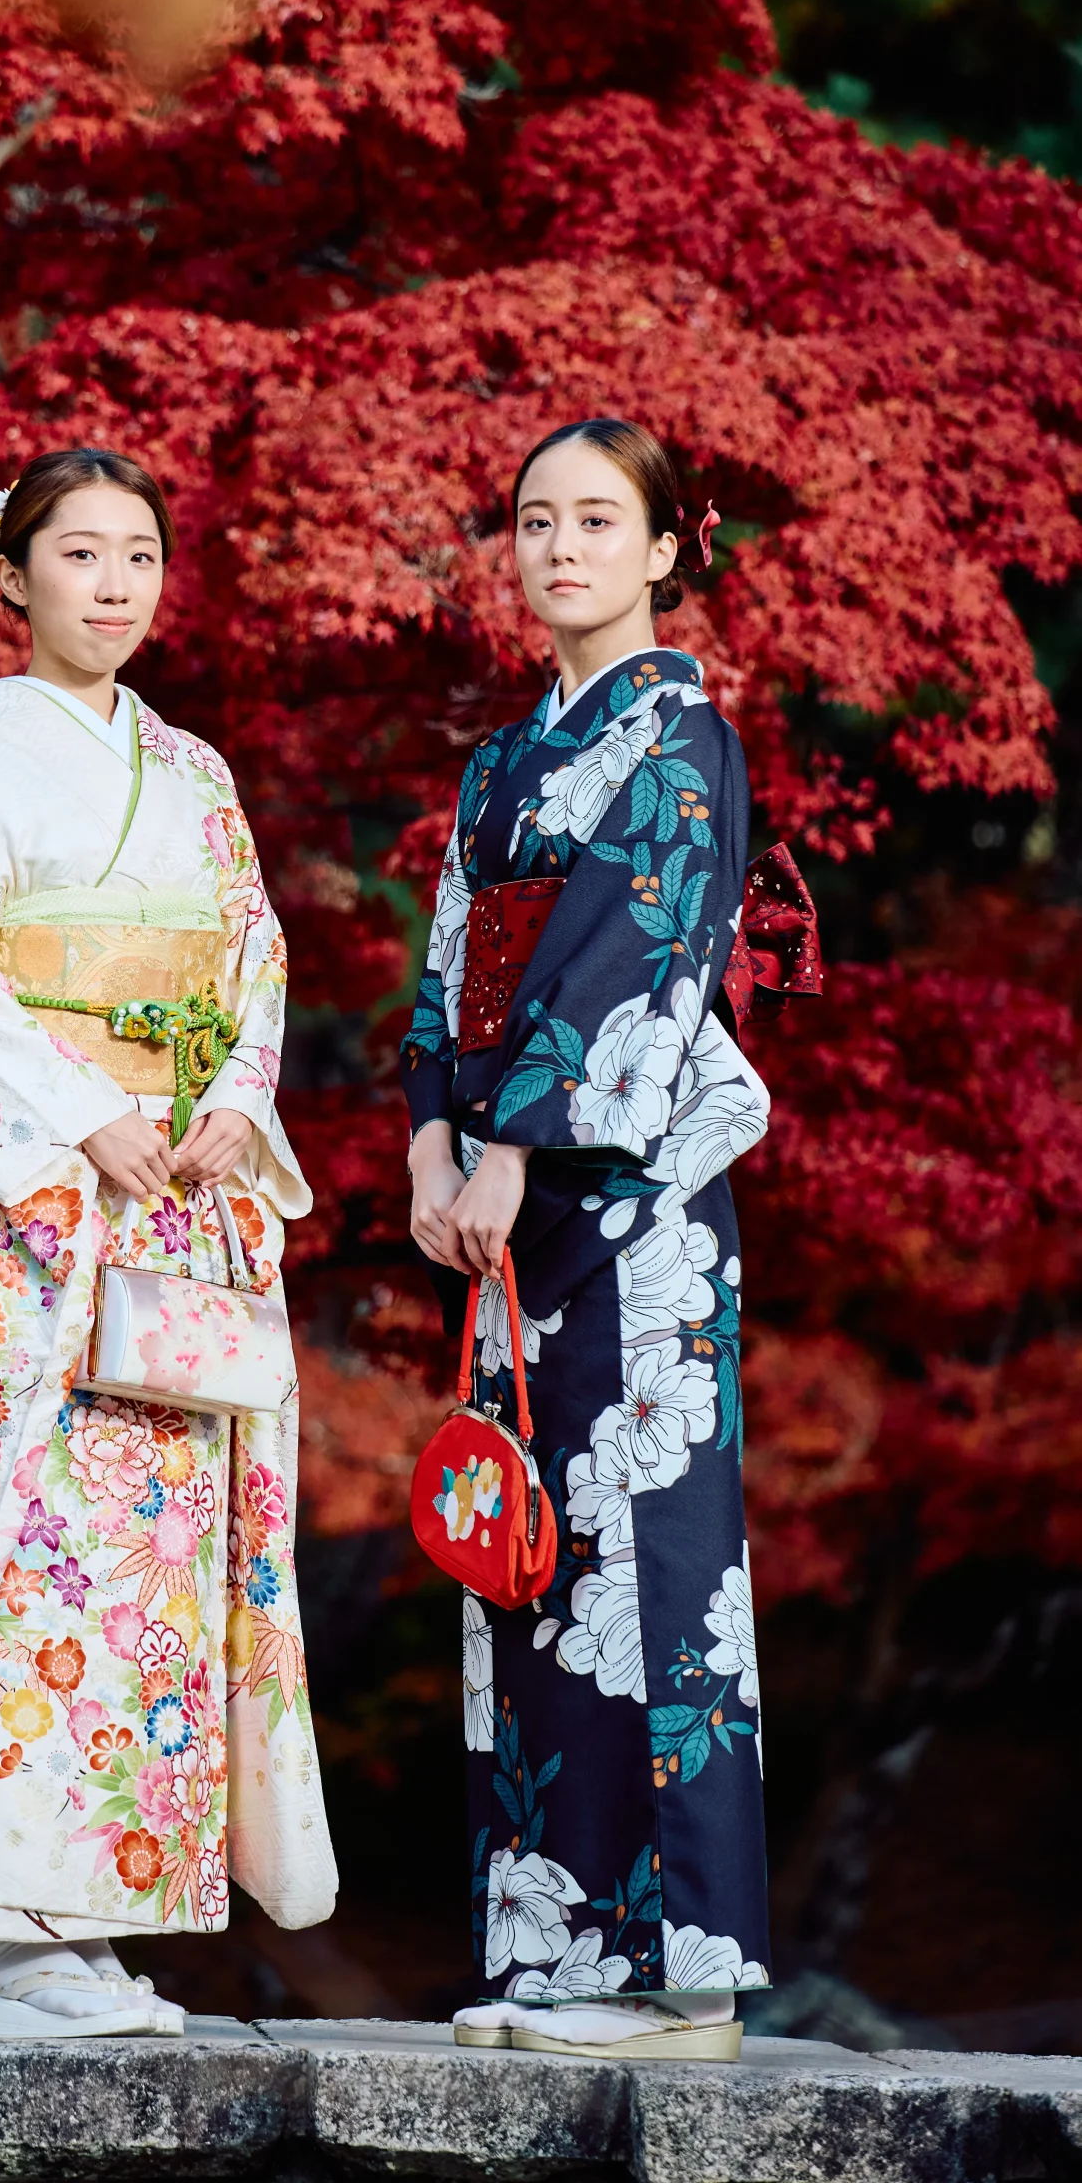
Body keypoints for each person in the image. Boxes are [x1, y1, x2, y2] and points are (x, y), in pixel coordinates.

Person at [0, 444, 337, 2040]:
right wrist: (76, 1115)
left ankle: (102, 1919)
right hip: (32, 1212)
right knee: (27, 1542)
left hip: (175, 1200)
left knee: (156, 1560)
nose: (114, 583)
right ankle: (11, 1941)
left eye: (140, 553)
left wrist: (231, 1103)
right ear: (11, 574)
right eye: (78, 552)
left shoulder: (194, 773)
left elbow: (254, 960)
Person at [403, 419, 776, 2062]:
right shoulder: (501, 762)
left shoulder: (684, 742)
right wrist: (428, 1133)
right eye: (535, 521)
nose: (560, 549)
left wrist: (504, 1144)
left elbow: (631, 964)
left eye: (597, 522)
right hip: (505, 1210)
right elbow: (449, 969)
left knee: (651, 1569)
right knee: (531, 1560)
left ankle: (682, 1978)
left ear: (664, 550)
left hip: (630, 1213)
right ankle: (556, 1960)